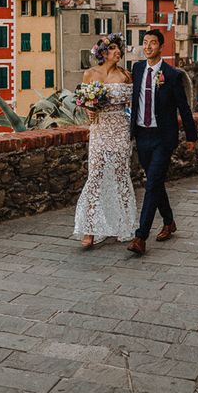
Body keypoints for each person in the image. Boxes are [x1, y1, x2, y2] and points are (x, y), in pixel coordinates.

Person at [127, 29, 197, 256]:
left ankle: (140, 237)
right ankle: (169, 222)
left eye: (152, 43)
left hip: (163, 138)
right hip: (142, 135)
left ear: (161, 47)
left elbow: (183, 108)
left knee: (151, 183)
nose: (147, 47)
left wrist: (191, 136)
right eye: (145, 43)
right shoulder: (137, 69)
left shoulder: (172, 75)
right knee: (155, 182)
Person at [74, 33, 137, 249]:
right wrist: (89, 110)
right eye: (112, 49)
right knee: (95, 176)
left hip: (120, 128)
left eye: (119, 49)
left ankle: (124, 224)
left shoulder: (126, 76)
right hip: (99, 129)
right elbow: (83, 102)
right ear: (103, 53)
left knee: (120, 175)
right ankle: (90, 229)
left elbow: (133, 104)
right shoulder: (90, 74)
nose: (117, 52)